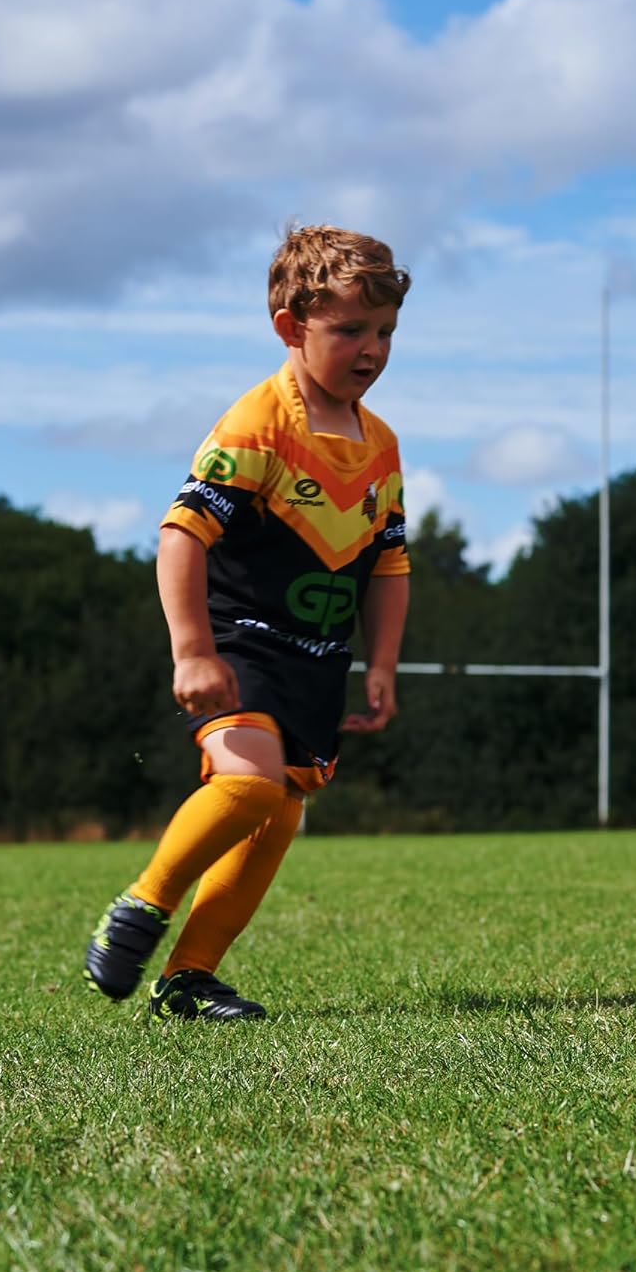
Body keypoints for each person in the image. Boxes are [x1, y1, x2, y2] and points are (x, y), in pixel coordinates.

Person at [84, 224, 411, 1022]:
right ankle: (143, 905)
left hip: (315, 661)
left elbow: (389, 565)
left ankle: (190, 979)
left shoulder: (383, 446)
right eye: (349, 331)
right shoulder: (257, 423)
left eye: (385, 333)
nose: (371, 349)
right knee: (248, 783)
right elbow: (180, 534)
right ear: (290, 329)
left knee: (280, 811)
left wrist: (381, 665)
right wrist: (192, 650)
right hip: (239, 644)